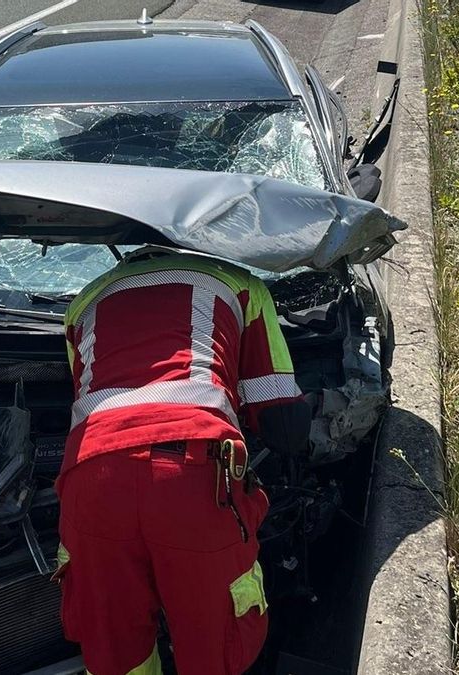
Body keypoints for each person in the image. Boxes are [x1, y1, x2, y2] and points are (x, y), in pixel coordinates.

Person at [56, 247, 312, 675]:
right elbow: (285, 424)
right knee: (214, 650)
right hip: (194, 478)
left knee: (118, 655)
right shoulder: (239, 284)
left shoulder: (84, 301)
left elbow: (88, 399)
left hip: (93, 481)